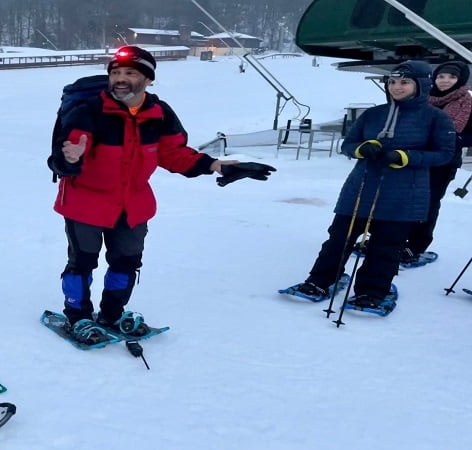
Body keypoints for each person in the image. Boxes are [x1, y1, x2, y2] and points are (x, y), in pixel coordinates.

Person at [47, 45, 275, 344]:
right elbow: (67, 152)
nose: (120, 78)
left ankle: (113, 313)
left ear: (148, 79)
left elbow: (174, 154)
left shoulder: (159, 114)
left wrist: (216, 165)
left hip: (132, 206)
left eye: (130, 72)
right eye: (115, 72)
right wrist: (72, 156)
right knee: (82, 263)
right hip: (85, 203)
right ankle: (78, 316)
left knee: (126, 262)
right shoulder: (89, 111)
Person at [288, 60, 455, 313]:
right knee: (338, 240)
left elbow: (444, 154)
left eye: (404, 82)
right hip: (360, 189)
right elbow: (347, 144)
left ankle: (372, 291)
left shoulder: (436, 118)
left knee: (386, 246)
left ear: (420, 85)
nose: (396, 87)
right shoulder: (373, 114)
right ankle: (320, 281)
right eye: (392, 82)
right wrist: (360, 149)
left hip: (404, 194)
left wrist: (406, 157)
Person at [402, 61, 471, 262]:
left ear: (460, 80)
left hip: (443, 162)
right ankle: (393, 238)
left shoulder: (466, 104)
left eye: (451, 77)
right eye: (441, 76)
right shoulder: (422, 98)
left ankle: (415, 246)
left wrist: (455, 138)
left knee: (428, 203)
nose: (445, 81)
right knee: (402, 199)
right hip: (414, 158)